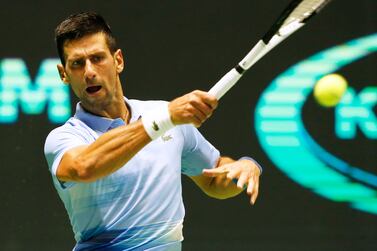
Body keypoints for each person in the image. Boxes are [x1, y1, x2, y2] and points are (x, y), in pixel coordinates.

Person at [44, 12, 262, 251]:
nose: (89, 72)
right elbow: (84, 167)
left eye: (97, 58)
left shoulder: (165, 115)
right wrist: (164, 120)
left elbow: (214, 179)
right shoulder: (64, 138)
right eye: (77, 63)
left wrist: (244, 167)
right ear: (63, 74)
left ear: (118, 61)